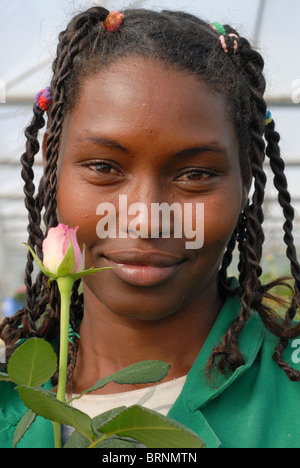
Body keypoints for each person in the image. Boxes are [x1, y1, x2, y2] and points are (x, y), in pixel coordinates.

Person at [0, 6, 300, 449]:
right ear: (52, 163)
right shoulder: (11, 387)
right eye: (104, 167)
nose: (144, 218)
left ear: (246, 177)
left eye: (195, 174)